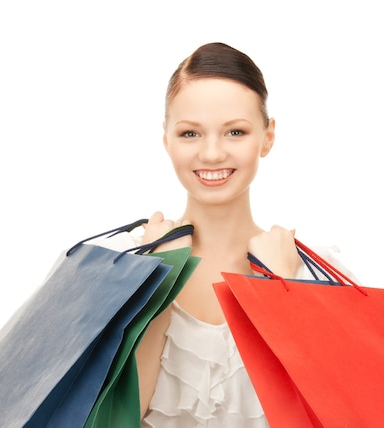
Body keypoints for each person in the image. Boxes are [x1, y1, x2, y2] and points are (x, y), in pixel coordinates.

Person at [133, 42, 356, 427]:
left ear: (268, 137)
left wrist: (285, 292)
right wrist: (158, 285)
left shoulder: (317, 273)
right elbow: (112, 417)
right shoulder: (126, 264)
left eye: (235, 131)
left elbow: (343, 417)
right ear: (166, 139)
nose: (213, 153)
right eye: (190, 134)